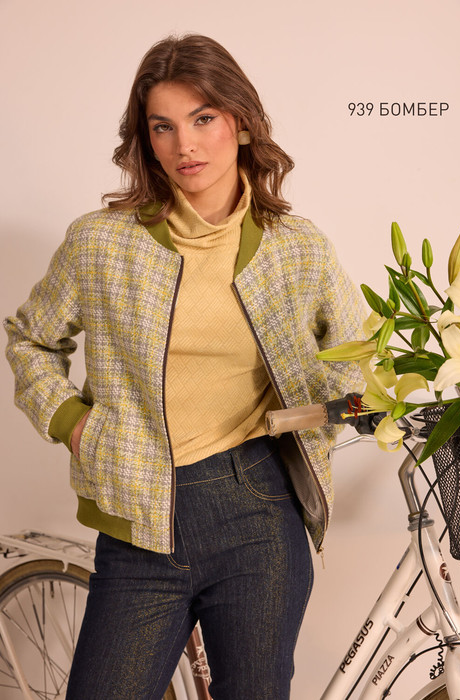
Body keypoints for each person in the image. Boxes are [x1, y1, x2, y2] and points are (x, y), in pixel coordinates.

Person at [4, 34, 365, 700]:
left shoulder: (297, 249)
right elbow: (30, 338)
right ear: (146, 139)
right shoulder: (100, 243)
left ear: (241, 123)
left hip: (260, 513)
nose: (184, 145)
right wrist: (74, 424)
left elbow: (357, 359)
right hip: (139, 519)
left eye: (203, 118)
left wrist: (327, 416)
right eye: (162, 126)